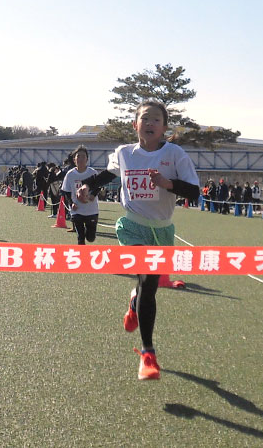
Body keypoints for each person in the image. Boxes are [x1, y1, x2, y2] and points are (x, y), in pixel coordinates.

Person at [77, 100, 200, 380]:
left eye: (156, 119)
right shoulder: (125, 153)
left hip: (162, 231)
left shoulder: (175, 154)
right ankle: (148, 353)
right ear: (135, 125)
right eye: (145, 118)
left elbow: (194, 192)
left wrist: (168, 184)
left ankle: (135, 303)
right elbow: (105, 176)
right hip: (133, 226)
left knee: (149, 287)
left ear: (164, 128)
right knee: (146, 275)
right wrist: (87, 187)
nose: (150, 123)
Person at [61, 146, 100, 245]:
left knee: (90, 238)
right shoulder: (70, 174)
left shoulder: (92, 172)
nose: (81, 159)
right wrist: (71, 203)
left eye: (83, 156)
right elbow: (66, 191)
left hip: (91, 210)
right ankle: (82, 253)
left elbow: (99, 186)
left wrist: (93, 195)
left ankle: (89, 233)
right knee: (80, 238)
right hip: (77, 210)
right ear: (74, 160)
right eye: (78, 156)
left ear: (87, 159)